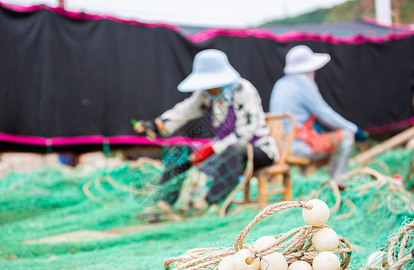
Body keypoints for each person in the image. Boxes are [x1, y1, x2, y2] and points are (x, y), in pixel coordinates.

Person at [134, 49, 279, 215]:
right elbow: (186, 109)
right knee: (181, 149)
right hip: (222, 148)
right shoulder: (207, 93)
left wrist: (212, 148)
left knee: (235, 150)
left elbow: (246, 130)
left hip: (257, 149)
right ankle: (164, 203)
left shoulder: (243, 90)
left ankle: (211, 203)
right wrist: (157, 124)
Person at [269, 45, 367, 179]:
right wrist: (354, 129)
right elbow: (326, 114)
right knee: (346, 136)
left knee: (323, 134)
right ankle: (338, 180)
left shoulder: (280, 84)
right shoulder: (303, 85)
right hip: (297, 146)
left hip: (280, 144)